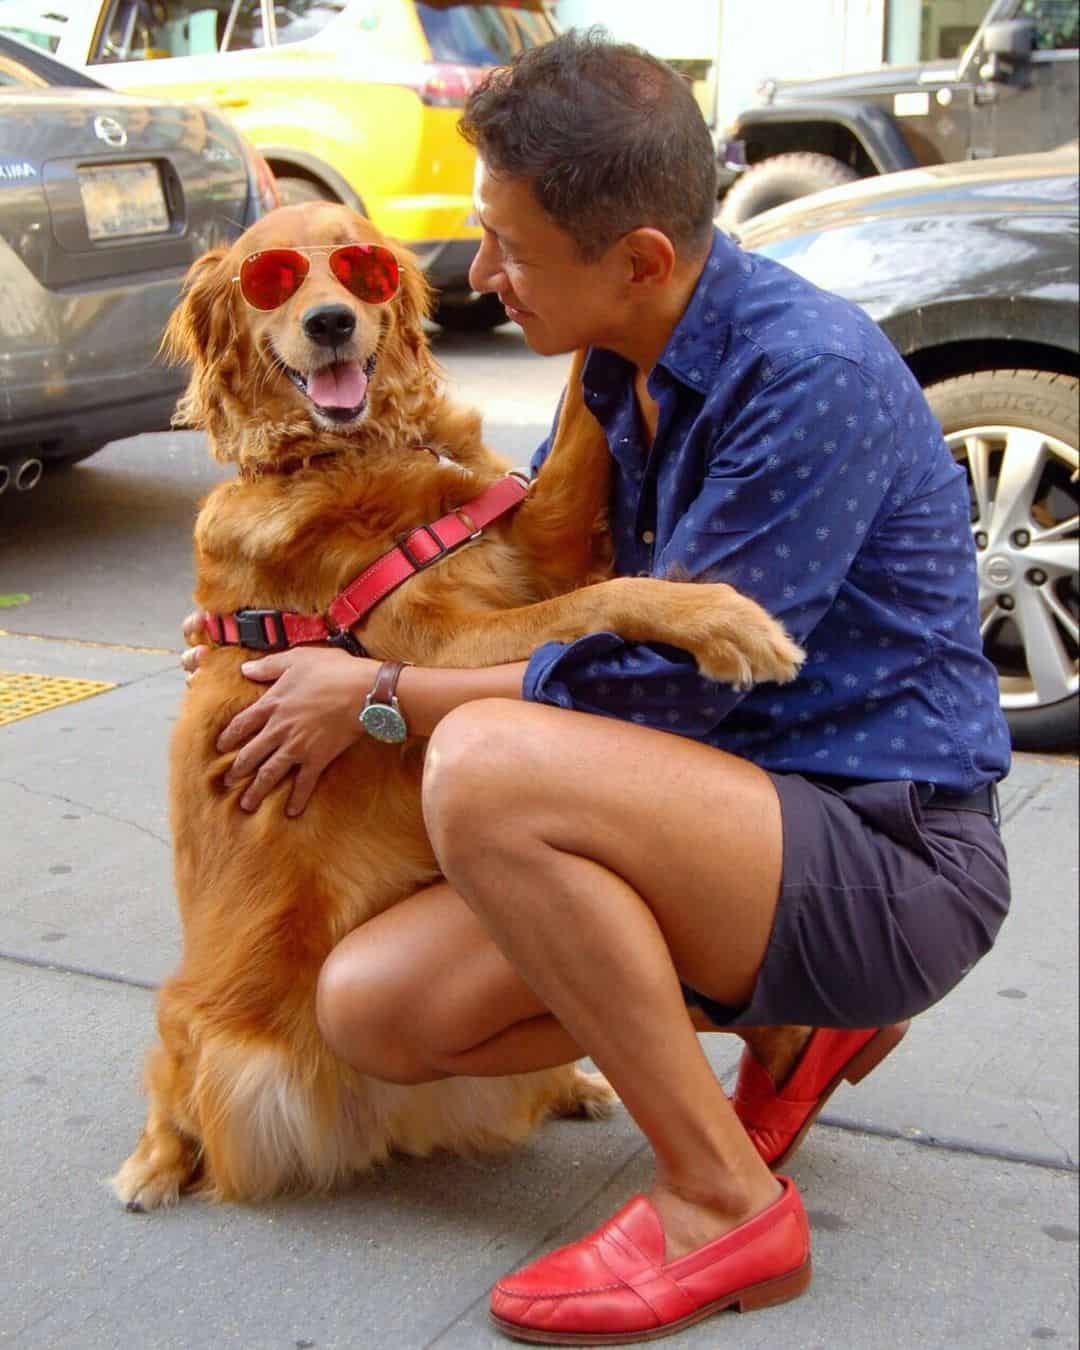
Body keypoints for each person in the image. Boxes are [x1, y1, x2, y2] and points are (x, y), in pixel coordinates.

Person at [182, 30, 1011, 1345]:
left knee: (490, 769)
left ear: (639, 260)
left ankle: (721, 1197)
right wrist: (289, 615)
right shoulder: (617, 364)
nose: (478, 273)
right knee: (368, 1008)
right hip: (726, 816)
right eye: (476, 231)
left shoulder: (802, 380)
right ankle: (793, 1016)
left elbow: (639, 698)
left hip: (886, 847)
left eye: (509, 249)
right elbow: (517, 573)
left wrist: (375, 692)